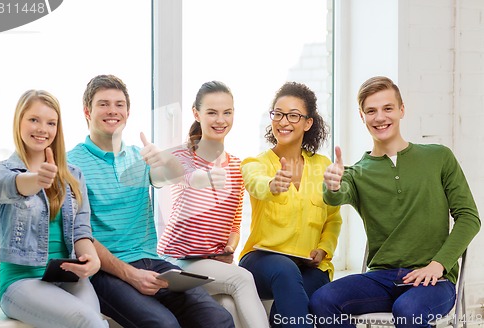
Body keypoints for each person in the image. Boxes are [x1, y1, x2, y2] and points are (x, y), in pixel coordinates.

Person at [310, 76, 481, 328]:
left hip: (434, 280)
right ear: (362, 116)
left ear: (401, 109)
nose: (380, 117)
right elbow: (335, 195)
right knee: (322, 300)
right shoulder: (356, 173)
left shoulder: (439, 157)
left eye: (387, 108)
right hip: (381, 278)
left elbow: (469, 217)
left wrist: (438, 265)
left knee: (407, 309)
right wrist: (332, 183)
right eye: (371, 111)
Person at [68, 74, 234, 328]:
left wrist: (163, 158)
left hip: (153, 262)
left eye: (119, 104)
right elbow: (80, 234)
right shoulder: (71, 164)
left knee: (218, 318)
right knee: (163, 325)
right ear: (87, 111)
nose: (113, 110)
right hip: (106, 270)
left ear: (128, 111)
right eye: (104, 104)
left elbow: (171, 176)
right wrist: (130, 274)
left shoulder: (140, 157)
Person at [157, 81, 270, 328]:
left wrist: (229, 247)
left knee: (228, 306)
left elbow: (234, 224)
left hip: (212, 264)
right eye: (212, 112)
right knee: (242, 279)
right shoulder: (181, 157)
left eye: (227, 112)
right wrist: (201, 177)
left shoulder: (237, 167)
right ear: (196, 114)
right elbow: (184, 175)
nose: (221, 120)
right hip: (178, 262)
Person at [0, 90, 106, 328]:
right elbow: (13, 187)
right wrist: (37, 179)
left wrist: (93, 260)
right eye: (34, 120)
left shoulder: (74, 175)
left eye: (51, 123)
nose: (42, 129)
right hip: (20, 282)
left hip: (66, 276)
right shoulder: (2, 172)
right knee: (90, 323)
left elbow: (81, 230)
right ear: (19, 122)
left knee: (96, 322)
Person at [238, 81, 342, 328]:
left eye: (294, 115)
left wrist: (324, 249)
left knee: (292, 310)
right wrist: (272, 185)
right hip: (261, 261)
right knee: (284, 270)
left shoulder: (322, 165)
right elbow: (255, 183)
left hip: (309, 265)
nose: (284, 121)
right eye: (278, 113)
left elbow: (333, 218)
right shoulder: (256, 162)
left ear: (308, 123)